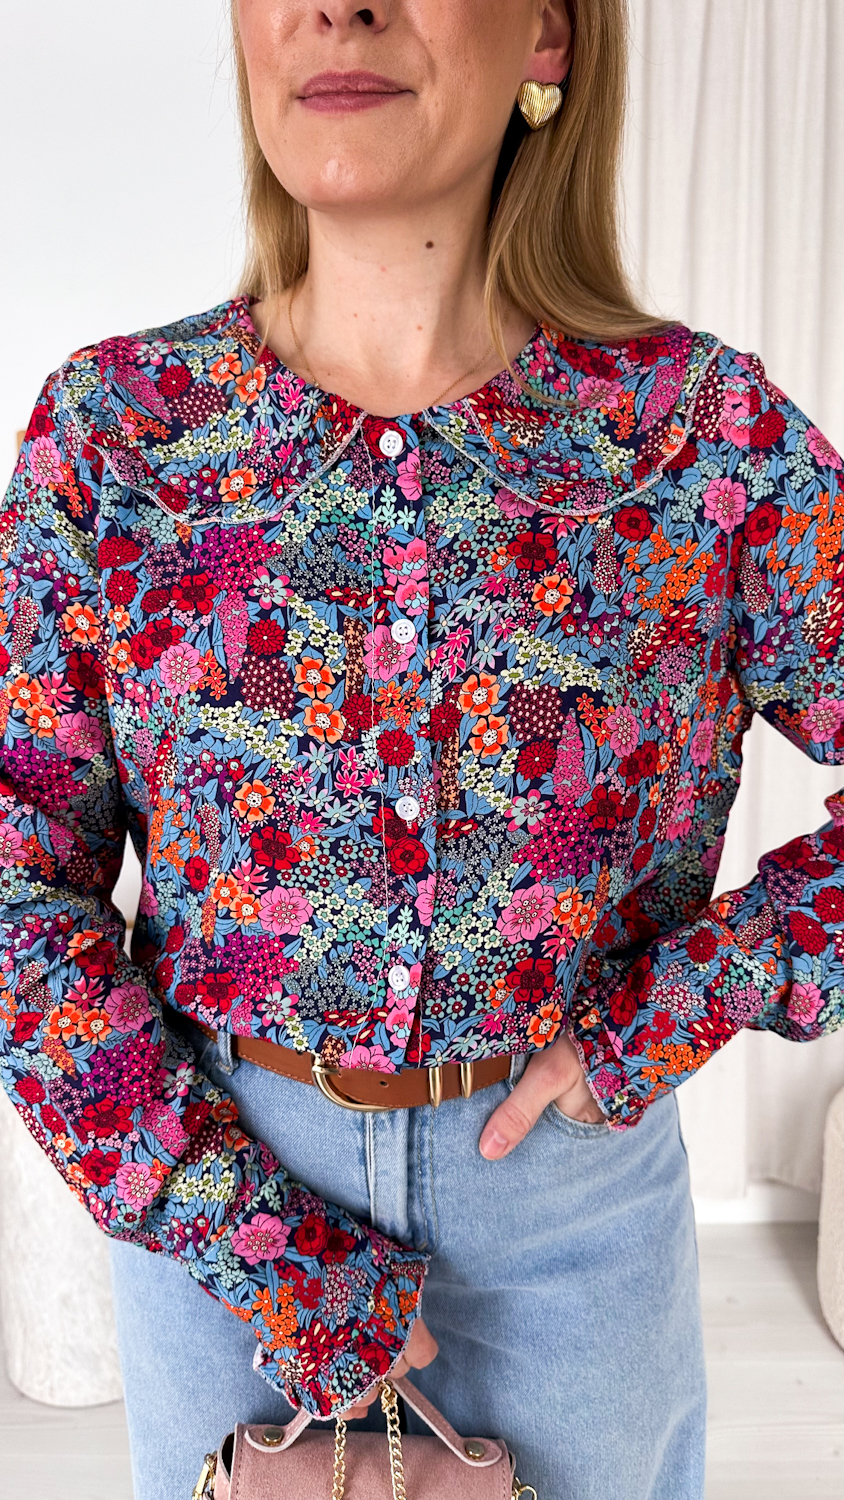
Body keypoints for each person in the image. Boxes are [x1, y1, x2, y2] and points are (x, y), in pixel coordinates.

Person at [2, 1, 843, 1496]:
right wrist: (250, 1235)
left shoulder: (698, 441)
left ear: (548, 39)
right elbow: (15, 879)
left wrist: (679, 1005)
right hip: (217, 1216)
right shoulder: (120, 439)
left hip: (571, 1229)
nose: (341, 6)